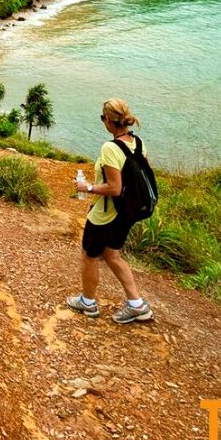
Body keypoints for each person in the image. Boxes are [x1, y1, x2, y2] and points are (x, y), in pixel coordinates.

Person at [66, 98, 154, 324]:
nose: (103, 122)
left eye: (102, 118)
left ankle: (87, 302)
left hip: (106, 214)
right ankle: (137, 305)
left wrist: (87, 187)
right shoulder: (139, 142)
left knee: (88, 254)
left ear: (109, 121)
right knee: (112, 254)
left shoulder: (110, 148)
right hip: (128, 212)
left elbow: (114, 188)